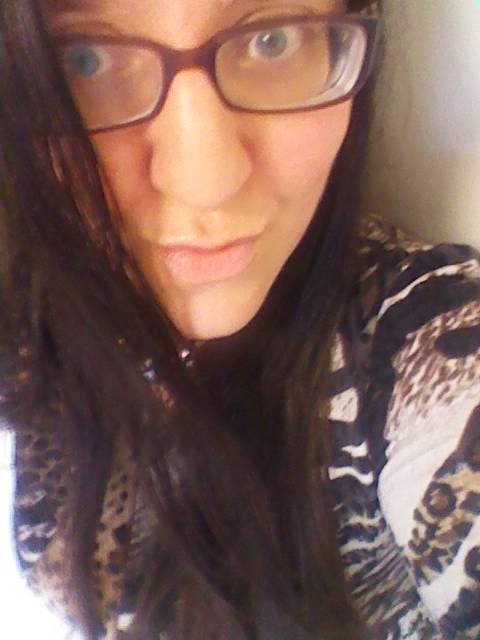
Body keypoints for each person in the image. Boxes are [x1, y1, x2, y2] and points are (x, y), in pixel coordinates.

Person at [0, 0, 479, 639]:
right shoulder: (30, 299)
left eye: (272, 41)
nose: (207, 181)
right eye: (84, 60)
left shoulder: (423, 353)